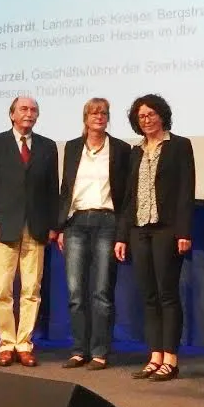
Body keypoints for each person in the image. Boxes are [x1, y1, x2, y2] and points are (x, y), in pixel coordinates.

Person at [114, 94, 195, 382]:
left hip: (167, 229)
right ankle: (154, 355)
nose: (146, 120)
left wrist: (184, 231)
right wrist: (122, 235)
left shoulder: (179, 146)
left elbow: (186, 191)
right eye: (141, 117)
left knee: (167, 294)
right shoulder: (135, 152)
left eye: (151, 114)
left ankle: (171, 359)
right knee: (148, 296)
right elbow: (128, 197)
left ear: (162, 115)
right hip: (139, 229)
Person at [0, 96, 59, 367]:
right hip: (3, 227)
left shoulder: (47, 146)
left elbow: (51, 191)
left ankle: (24, 344)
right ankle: (6, 344)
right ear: (12, 114)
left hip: (35, 228)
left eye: (34, 109)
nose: (29, 113)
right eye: (24, 109)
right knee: (2, 289)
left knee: (31, 290)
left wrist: (52, 225)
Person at [55, 98, 131, 371]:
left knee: (101, 291)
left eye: (104, 113)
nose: (99, 116)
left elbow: (126, 196)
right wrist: (61, 226)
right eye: (94, 112)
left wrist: (123, 232)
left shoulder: (121, 149)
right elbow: (66, 189)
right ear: (85, 117)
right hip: (76, 223)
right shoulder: (73, 147)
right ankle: (78, 350)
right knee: (76, 291)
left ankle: (100, 351)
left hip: (107, 222)